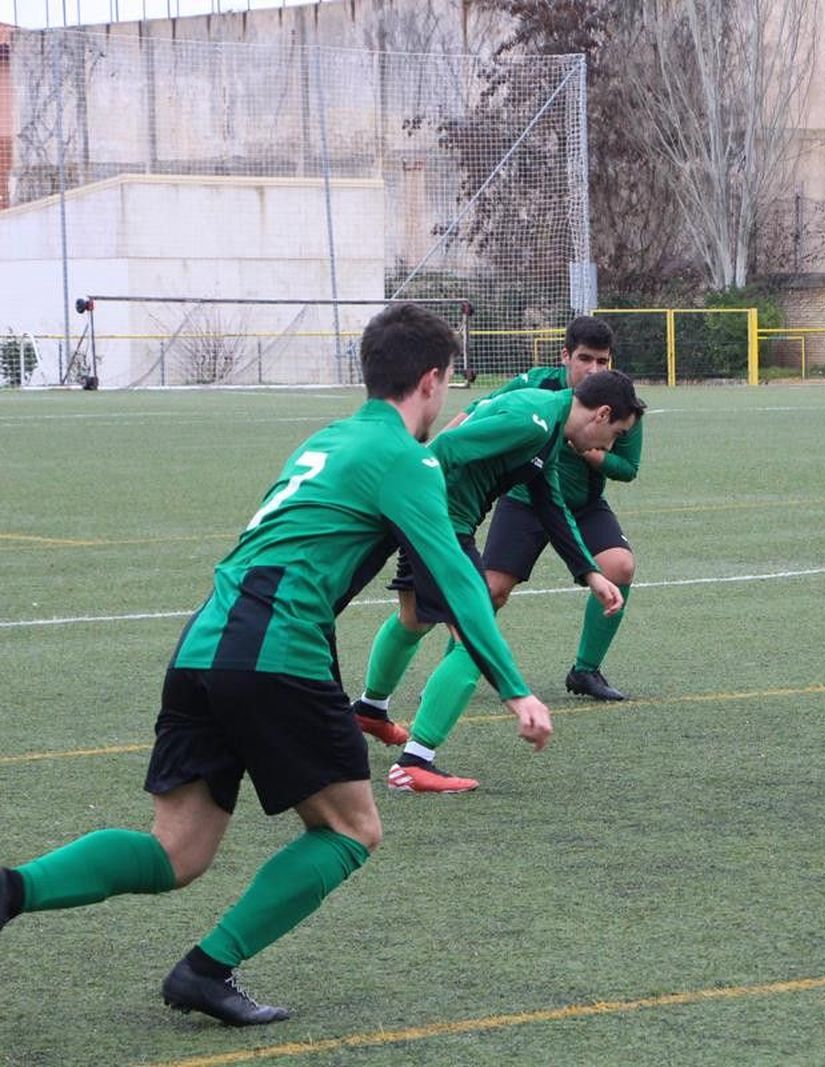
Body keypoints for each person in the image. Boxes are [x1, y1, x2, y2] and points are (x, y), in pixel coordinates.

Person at [0, 303, 551, 1024]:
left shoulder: (327, 440)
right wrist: (515, 691)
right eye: (448, 381)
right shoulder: (405, 458)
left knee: (177, 851)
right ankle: (206, 968)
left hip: (205, 639)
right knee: (352, 831)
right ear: (431, 379)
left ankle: (11, 890)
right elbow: (458, 581)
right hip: (275, 646)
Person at [350, 365, 646, 793]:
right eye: (616, 433)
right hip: (442, 527)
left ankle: (370, 710)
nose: (610, 444)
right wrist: (420, 513)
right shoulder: (534, 422)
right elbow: (448, 446)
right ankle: (415, 762)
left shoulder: (547, 422)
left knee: (414, 616)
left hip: (431, 520)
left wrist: (589, 573)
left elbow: (549, 502)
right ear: (601, 414)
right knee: (477, 638)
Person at [477, 316, 643, 702]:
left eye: (603, 361)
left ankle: (585, 671)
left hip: (583, 505)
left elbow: (629, 469)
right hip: (524, 501)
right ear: (565, 356)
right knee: (493, 591)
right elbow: (479, 409)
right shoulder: (536, 386)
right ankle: (460, 660)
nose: (594, 369)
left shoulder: (620, 402)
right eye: (586, 358)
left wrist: (594, 456)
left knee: (620, 566)